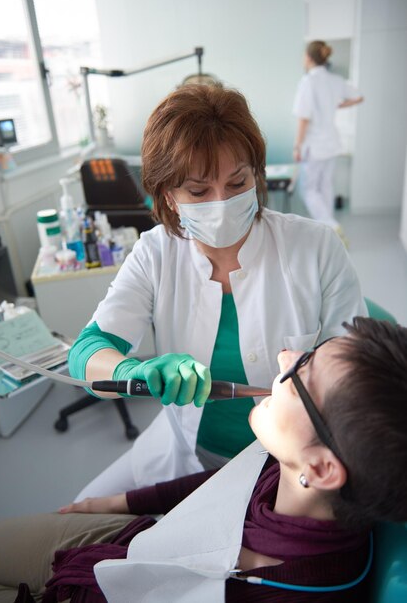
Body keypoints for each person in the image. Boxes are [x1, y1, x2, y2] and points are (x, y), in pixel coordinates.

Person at [68, 83, 367, 501]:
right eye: (198, 191)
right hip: (184, 456)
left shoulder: (314, 248)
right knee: (76, 516)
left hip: (287, 468)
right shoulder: (155, 253)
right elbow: (85, 353)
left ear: (256, 173)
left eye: (237, 181)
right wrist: (130, 373)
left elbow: (355, 372)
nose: (221, 201)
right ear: (168, 196)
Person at [0, 317, 407, 603]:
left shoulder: (278, 589)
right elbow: (222, 484)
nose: (283, 356)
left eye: (302, 372)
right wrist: (116, 503)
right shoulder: (296, 468)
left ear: (319, 468)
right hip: (136, 540)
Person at [292, 40, 364, 236]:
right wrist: (337, 105)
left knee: (309, 191)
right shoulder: (335, 80)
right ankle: (330, 230)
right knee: (326, 187)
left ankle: (331, 226)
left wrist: (297, 146)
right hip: (332, 143)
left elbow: (303, 118)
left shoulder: (308, 82)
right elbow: (359, 97)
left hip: (315, 145)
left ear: (308, 57)